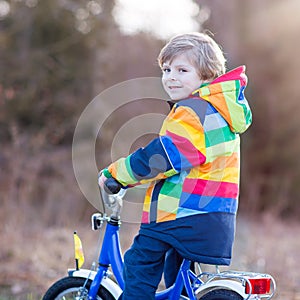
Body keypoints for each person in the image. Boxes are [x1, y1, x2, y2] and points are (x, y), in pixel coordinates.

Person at [98, 32, 252, 300]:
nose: (171, 77)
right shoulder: (222, 111)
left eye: (182, 70)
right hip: (212, 216)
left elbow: (163, 157)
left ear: (207, 75)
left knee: (140, 263)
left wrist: (118, 174)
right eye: (167, 69)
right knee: (177, 277)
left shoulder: (194, 111)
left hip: (180, 214)